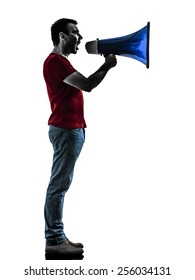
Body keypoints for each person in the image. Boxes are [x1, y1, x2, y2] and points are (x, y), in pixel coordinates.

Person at [43, 18, 117, 256]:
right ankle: (54, 240)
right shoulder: (56, 62)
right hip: (66, 130)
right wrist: (106, 66)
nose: (80, 37)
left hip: (70, 130)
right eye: (75, 32)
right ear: (62, 37)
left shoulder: (60, 62)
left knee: (61, 185)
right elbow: (87, 84)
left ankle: (58, 235)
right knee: (58, 186)